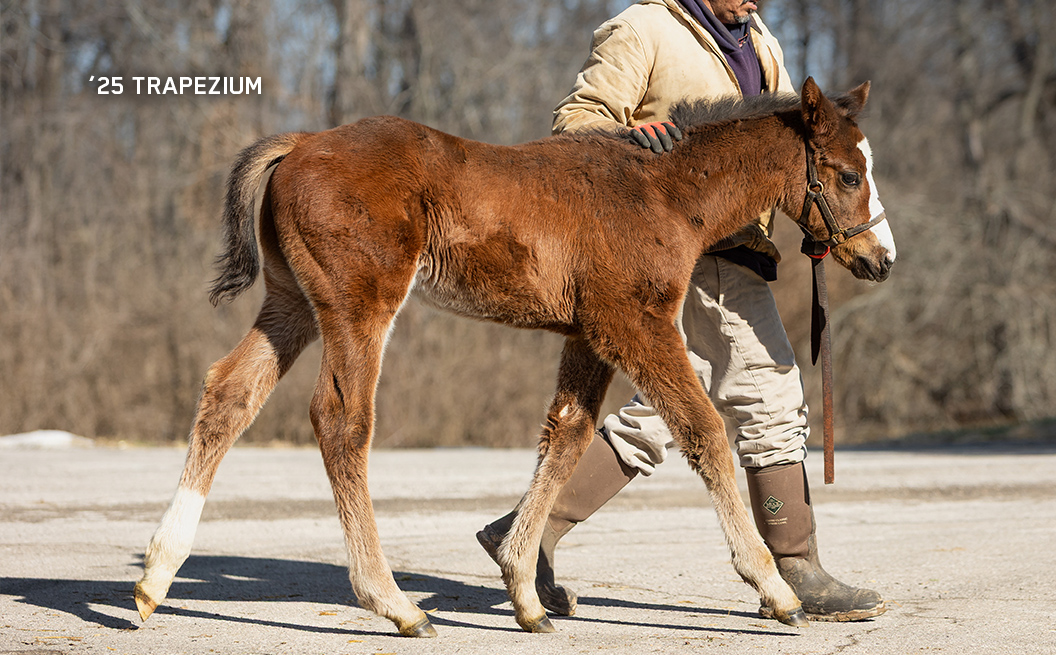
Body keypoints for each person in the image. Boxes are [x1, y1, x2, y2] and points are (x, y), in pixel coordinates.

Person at [477, 0, 886, 623]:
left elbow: (793, 149)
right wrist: (630, 136)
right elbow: (574, 125)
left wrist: (823, 217)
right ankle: (795, 566)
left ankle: (529, 530)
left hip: (737, 247)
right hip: (666, 248)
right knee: (767, 394)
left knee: (665, 410)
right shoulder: (644, 28)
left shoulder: (760, 42)